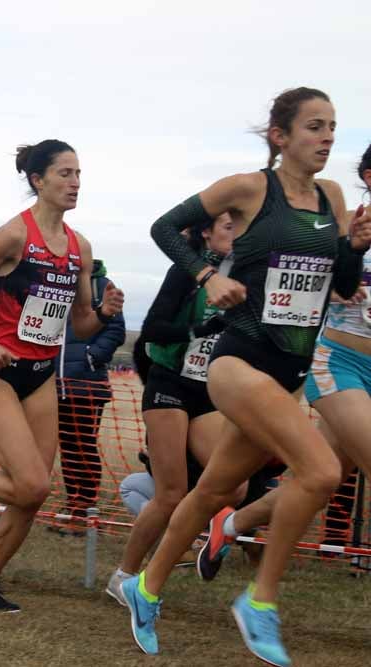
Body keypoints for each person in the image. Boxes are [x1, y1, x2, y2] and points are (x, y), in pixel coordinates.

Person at [120, 87, 371, 667]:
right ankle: (260, 602)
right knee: (321, 470)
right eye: (314, 126)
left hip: (288, 370)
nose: (327, 136)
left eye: (332, 126)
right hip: (238, 360)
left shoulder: (332, 197)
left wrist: (354, 248)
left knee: (213, 490)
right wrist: (206, 274)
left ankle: (146, 586)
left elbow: (341, 283)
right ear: (280, 137)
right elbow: (164, 228)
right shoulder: (249, 188)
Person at [0, 139, 124, 612]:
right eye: (64, 173)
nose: (75, 182)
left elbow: (78, 325)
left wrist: (102, 310)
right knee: (33, 483)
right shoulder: (16, 234)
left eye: (78, 173)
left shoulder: (80, 247)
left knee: (33, 495)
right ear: (38, 180)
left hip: (40, 375)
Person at [196, 143, 371, 580]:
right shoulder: (345, 224)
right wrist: (338, 285)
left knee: (315, 484)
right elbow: (304, 279)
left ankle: (231, 523)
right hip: (341, 362)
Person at [103, 215, 233, 602]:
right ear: (206, 231)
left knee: (234, 483)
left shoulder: (243, 275)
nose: (236, 234)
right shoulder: (186, 273)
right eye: (228, 226)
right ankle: (124, 576)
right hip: (170, 384)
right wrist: (200, 332)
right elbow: (154, 329)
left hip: (207, 389)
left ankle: (202, 540)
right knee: (171, 492)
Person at [56, 258, 126, 527]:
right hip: (54, 383)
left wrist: (91, 357)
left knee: (82, 446)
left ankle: (84, 505)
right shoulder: (55, 286)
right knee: (67, 446)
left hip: (86, 384)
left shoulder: (102, 286)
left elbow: (116, 330)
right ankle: (72, 500)